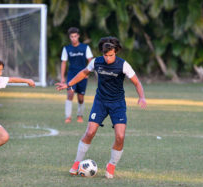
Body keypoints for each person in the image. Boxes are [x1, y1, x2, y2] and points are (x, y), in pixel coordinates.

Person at [56, 36, 147, 179]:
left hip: (117, 104)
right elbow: (84, 72)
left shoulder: (123, 65)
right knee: (90, 132)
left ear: (115, 52)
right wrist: (69, 84)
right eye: (106, 55)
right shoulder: (96, 62)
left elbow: (136, 82)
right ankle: (76, 163)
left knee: (120, 136)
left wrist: (141, 96)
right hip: (100, 102)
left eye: (111, 55)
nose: (108, 58)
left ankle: (111, 165)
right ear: (102, 53)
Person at [60, 27, 93, 123]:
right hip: (71, 75)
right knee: (70, 94)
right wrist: (62, 77)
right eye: (71, 37)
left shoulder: (85, 48)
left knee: (80, 98)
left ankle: (80, 115)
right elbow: (63, 63)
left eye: (75, 36)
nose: (73, 38)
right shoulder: (66, 49)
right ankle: (68, 117)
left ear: (78, 36)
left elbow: (90, 60)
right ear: (69, 37)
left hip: (82, 75)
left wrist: (87, 73)